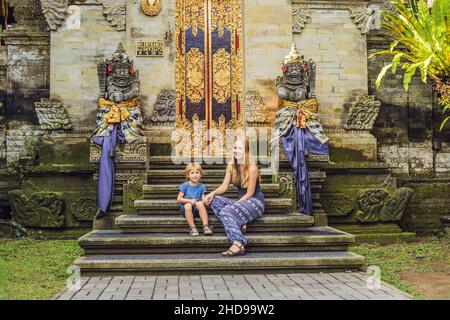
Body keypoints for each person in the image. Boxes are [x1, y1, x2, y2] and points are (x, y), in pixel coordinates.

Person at [204, 136, 265, 256]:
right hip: (241, 203)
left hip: (255, 202)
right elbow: (224, 187)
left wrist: (236, 205)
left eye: (240, 148)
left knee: (225, 211)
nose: (237, 151)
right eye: (235, 148)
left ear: (246, 150)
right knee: (214, 201)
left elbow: (250, 193)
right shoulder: (231, 165)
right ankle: (240, 222)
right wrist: (211, 194)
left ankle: (238, 242)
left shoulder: (252, 168)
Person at [177, 163, 213, 236]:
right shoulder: (185, 185)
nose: (195, 175)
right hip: (186, 210)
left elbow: (202, 198)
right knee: (188, 205)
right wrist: (190, 201)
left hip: (197, 210)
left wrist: (205, 201)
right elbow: (179, 199)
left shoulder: (202, 186)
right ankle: (192, 227)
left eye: (197, 173)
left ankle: (205, 226)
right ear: (188, 175)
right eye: (192, 173)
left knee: (199, 203)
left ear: (200, 175)